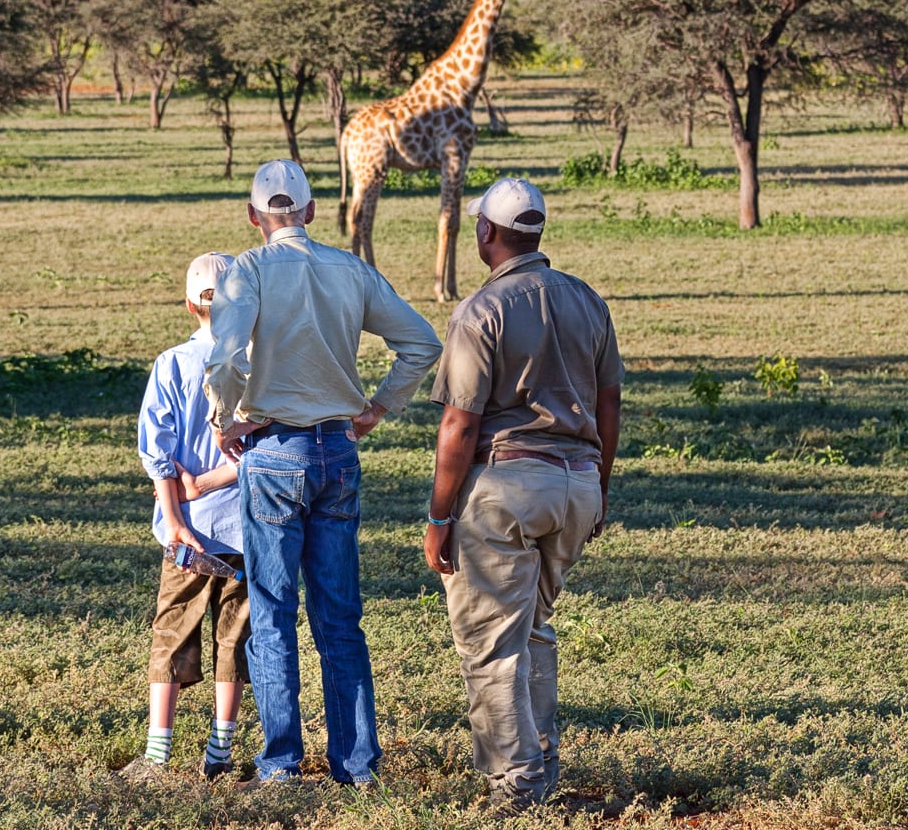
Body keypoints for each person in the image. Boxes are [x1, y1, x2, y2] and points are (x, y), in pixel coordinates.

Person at [206, 159, 442, 785]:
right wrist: (377, 409)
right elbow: (422, 344)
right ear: (311, 211)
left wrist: (224, 420)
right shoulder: (350, 268)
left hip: (273, 452)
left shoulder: (245, 272)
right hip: (337, 451)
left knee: (273, 613)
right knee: (340, 618)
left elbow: (227, 359)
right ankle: (358, 765)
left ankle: (280, 763)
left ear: (254, 216)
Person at [422, 178, 622, 810]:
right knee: (532, 629)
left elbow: (459, 422)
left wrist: (438, 514)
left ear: (485, 232)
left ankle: (517, 785)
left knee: (489, 640)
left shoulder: (482, 311)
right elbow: (609, 402)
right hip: (577, 487)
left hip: (507, 485)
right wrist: (599, 487)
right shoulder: (587, 300)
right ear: (536, 232)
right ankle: (541, 764)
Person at [122, 251, 250, 783]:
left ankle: (157, 754)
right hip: (248, 526)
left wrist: (176, 512)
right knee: (234, 636)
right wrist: (216, 479)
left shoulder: (171, 364)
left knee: (171, 631)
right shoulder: (256, 363)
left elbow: (158, 454)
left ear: (187, 305)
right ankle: (219, 754)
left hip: (187, 531)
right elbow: (261, 452)